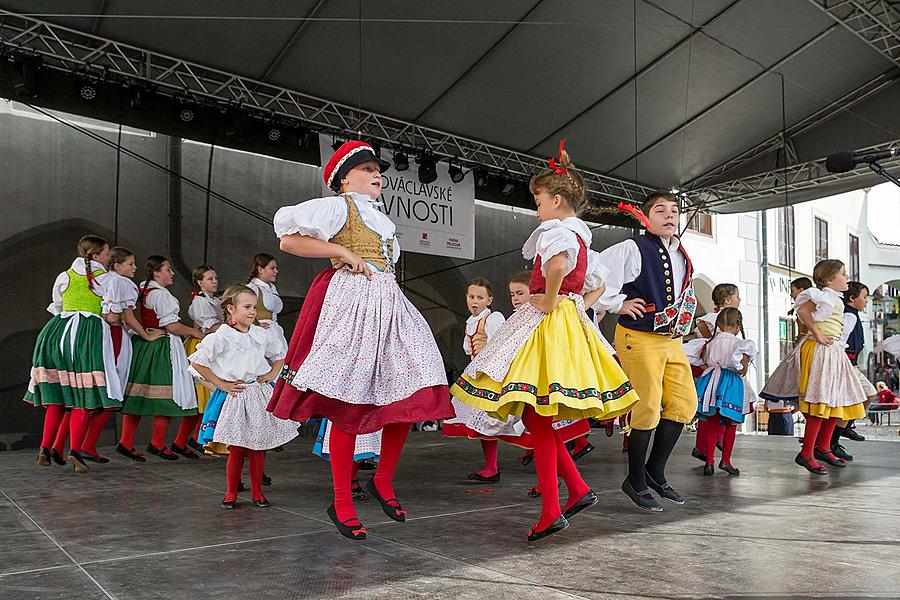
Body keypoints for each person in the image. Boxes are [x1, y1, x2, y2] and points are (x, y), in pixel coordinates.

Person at [451, 141, 639, 540]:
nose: (536, 209)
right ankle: (577, 490)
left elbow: (555, 266)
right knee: (539, 415)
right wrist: (574, 303)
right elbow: (597, 285)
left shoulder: (556, 230)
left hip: (547, 322)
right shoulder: (582, 238)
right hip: (567, 320)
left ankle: (554, 507)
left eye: (538, 200)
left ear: (555, 200)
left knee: (537, 412)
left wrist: (552, 300)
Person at [267, 140, 453, 541]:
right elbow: (288, 239)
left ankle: (382, 479)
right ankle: (341, 500)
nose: (376, 174)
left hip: (388, 304)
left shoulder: (381, 219)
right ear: (344, 178)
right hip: (351, 303)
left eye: (377, 169)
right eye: (367, 169)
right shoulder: (339, 207)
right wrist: (338, 250)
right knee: (349, 398)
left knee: (412, 388)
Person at [594, 191, 698, 512]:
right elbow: (596, 277)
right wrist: (617, 303)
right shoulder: (632, 248)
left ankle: (655, 470)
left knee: (684, 403)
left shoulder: (681, 253)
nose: (669, 215)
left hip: (670, 339)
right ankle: (635, 479)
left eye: (674, 210)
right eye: (660, 210)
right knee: (647, 406)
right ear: (644, 217)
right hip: (638, 336)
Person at [190, 285, 299, 508]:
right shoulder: (221, 336)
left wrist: (271, 373)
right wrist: (221, 383)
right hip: (237, 397)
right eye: (247, 307)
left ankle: (257, 493)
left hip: (258, 395)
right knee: (238, 448)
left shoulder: (260, 334)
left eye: (254, 307)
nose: (252, 312)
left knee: (259, 448)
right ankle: (231, 493)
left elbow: (280, 356)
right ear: (231, 308)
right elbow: (197, 362)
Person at [26, 235, 123, 473]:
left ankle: (45, 448)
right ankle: (75, 451)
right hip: (86, 336)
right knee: (82, 396)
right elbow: (111, 316)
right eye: (106, 253)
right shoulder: (109, 279)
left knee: (57, 398)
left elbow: (58, 306)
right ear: (96, 255)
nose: (108, 257)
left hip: (56, 333)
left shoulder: (64, 276)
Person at [81, 247, 163, 462]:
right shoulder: (121, 283)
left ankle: (82, 445)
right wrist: (145, 335)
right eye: (130, 264)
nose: (135, 268)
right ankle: (87, 446)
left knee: (104, 390)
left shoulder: (106, 279)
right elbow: (122, 316)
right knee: (113, 390)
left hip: (101, 336)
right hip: (114, 336)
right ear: (117, 265)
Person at [118, 256, 203, 461]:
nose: (171, 273)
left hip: (144, 345)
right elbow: (171, 326)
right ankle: (156, 443)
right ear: (156, 272)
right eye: (167, 269)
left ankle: (126, 441)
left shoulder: (144, 289)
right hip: (161, 346)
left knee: (138, 394)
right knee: (165, 394)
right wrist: (195, 331)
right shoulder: (161, 295)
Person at [443, 277, 524, 482]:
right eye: (471, 297)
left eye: (480, 297)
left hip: (491, 375)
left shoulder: (493, 318)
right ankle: (491, 467)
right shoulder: (471, 322)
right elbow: (466, 348)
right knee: (482, 423)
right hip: (477, 372)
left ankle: (542, 457)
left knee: (503, 421)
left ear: (489, 300)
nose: (475, 301)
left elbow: (501, 344)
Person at [793, 260, 867, 474]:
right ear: (828, 279)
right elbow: (803, 311)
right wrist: (817, 334)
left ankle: (823, 447)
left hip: (834, 350)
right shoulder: (822, 295)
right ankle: (807, 452)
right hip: (821, 350)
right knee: (820, 401)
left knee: (838, 400)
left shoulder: (834, 298)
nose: (846, 277)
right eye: (843, 274)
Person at [693, 308, 756, 476]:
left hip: (711, 380)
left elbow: (703, 362)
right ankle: (726, 461)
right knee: (731, 424)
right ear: (737, 326)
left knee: (712, 423)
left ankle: (709, 462)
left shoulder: (710, 342)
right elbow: (741, 370)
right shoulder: (739, 344)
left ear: (718, 324)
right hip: (731, 383)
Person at [685, 283, 741, 462]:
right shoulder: (719, 318)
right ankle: (715, 445)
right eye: (737, 297)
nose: (739, 300)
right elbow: (701, 332)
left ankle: (705, 448)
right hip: (720, 367)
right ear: (728, 300)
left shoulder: (717, 317)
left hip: (712, 365)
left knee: (710, 408)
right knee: (718, 408)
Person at [831, 281, 876, 459]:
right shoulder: (849, 316)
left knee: (865, 396)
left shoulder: (853, 315)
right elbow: (841, 340)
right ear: (852, 298)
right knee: (854, 400)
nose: (866, 301)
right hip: (846, 365)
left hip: (850, 364)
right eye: (864, 297)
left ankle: (844, 429)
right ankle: (835, 439)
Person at [184, 265, 224, 452]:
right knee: (205, 393)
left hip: (213, 346)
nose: (215, 281)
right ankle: (197, 437)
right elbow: (210, 326)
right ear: (200, 282)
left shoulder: (214, 300)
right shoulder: (200, 302)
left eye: (215, 278)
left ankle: (198, 437)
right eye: (210, 279)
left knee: (210, 394)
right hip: (202, 345)